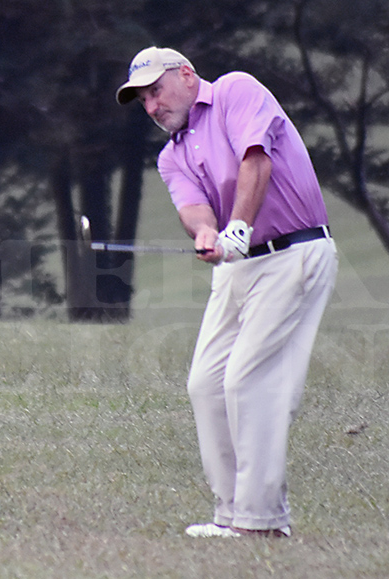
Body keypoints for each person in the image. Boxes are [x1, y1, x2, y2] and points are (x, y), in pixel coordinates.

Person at [116, 47, 338, 538]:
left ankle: (262, 523)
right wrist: (205, 234)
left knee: (248, 381)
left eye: (156, 92)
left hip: (292, 254)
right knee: (207, 383)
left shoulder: (237, 90)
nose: (151, 107)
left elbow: (255, 158)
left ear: (187, 76)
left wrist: (238, 225)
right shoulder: (171, 155)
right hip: (240, 265)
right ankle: (232, 513)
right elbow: (193, 208)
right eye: (143, 101)